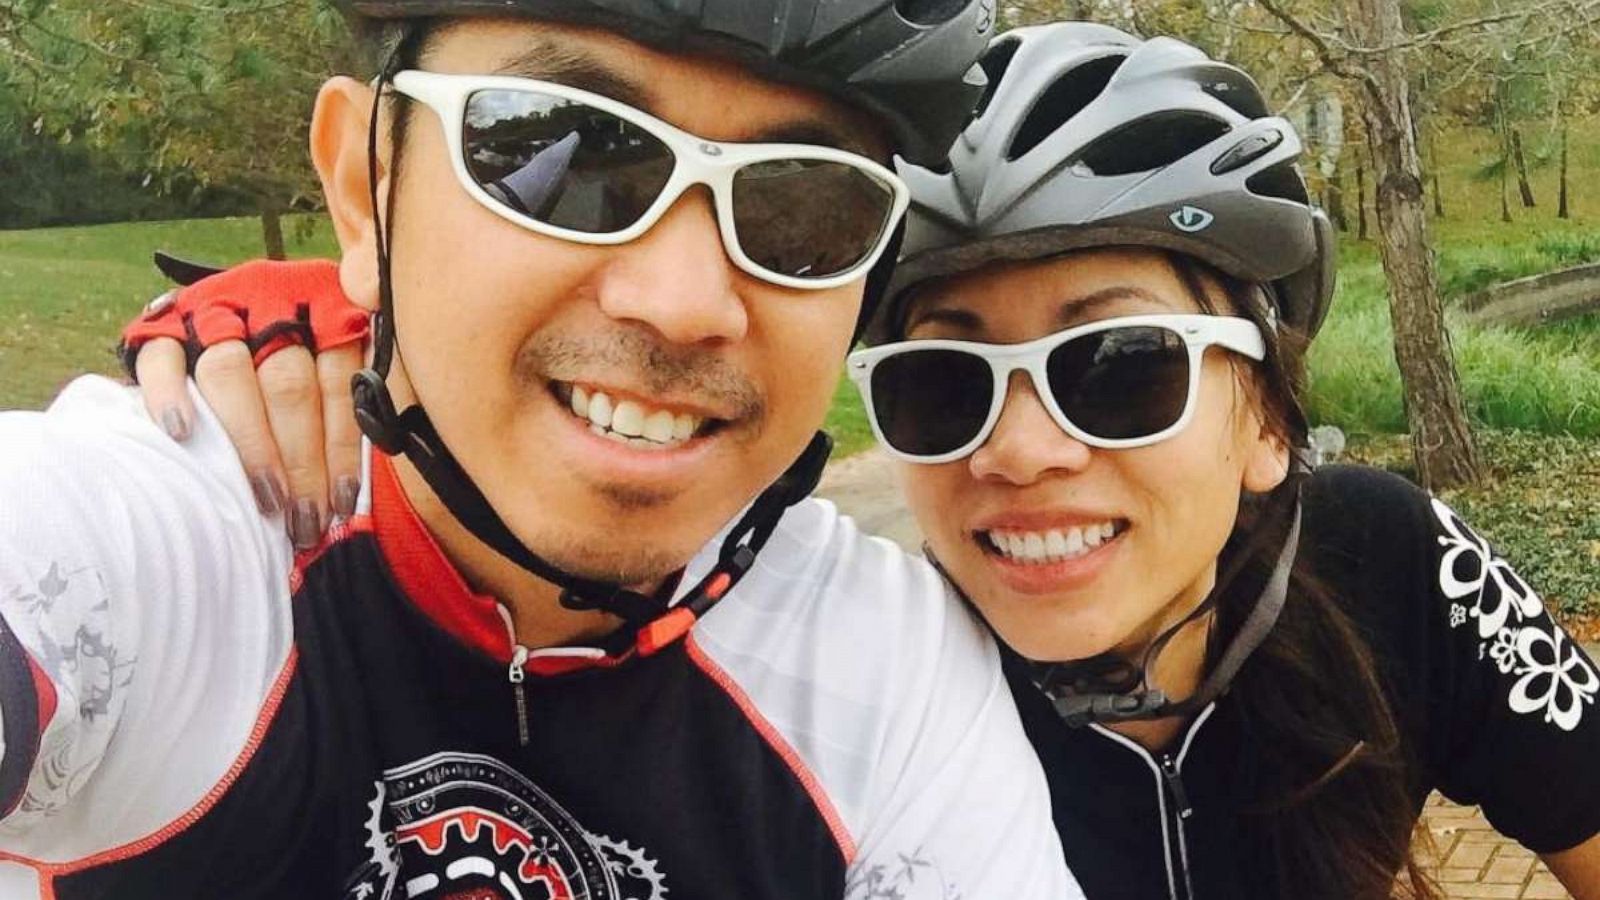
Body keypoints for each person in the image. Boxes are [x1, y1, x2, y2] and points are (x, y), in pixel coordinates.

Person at [140, 20, 1600, 900]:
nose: (1023, 452)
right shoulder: (882, 683)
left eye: (1122, 367)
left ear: (1268, 421)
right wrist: (373, 322)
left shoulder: (1391, 561)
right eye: (942, 385)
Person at [0, 3, 1081, 898]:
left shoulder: (889, 668)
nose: (682, 304)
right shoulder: (164, 533)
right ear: (364, 193)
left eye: (804, 211)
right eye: (562, 155)